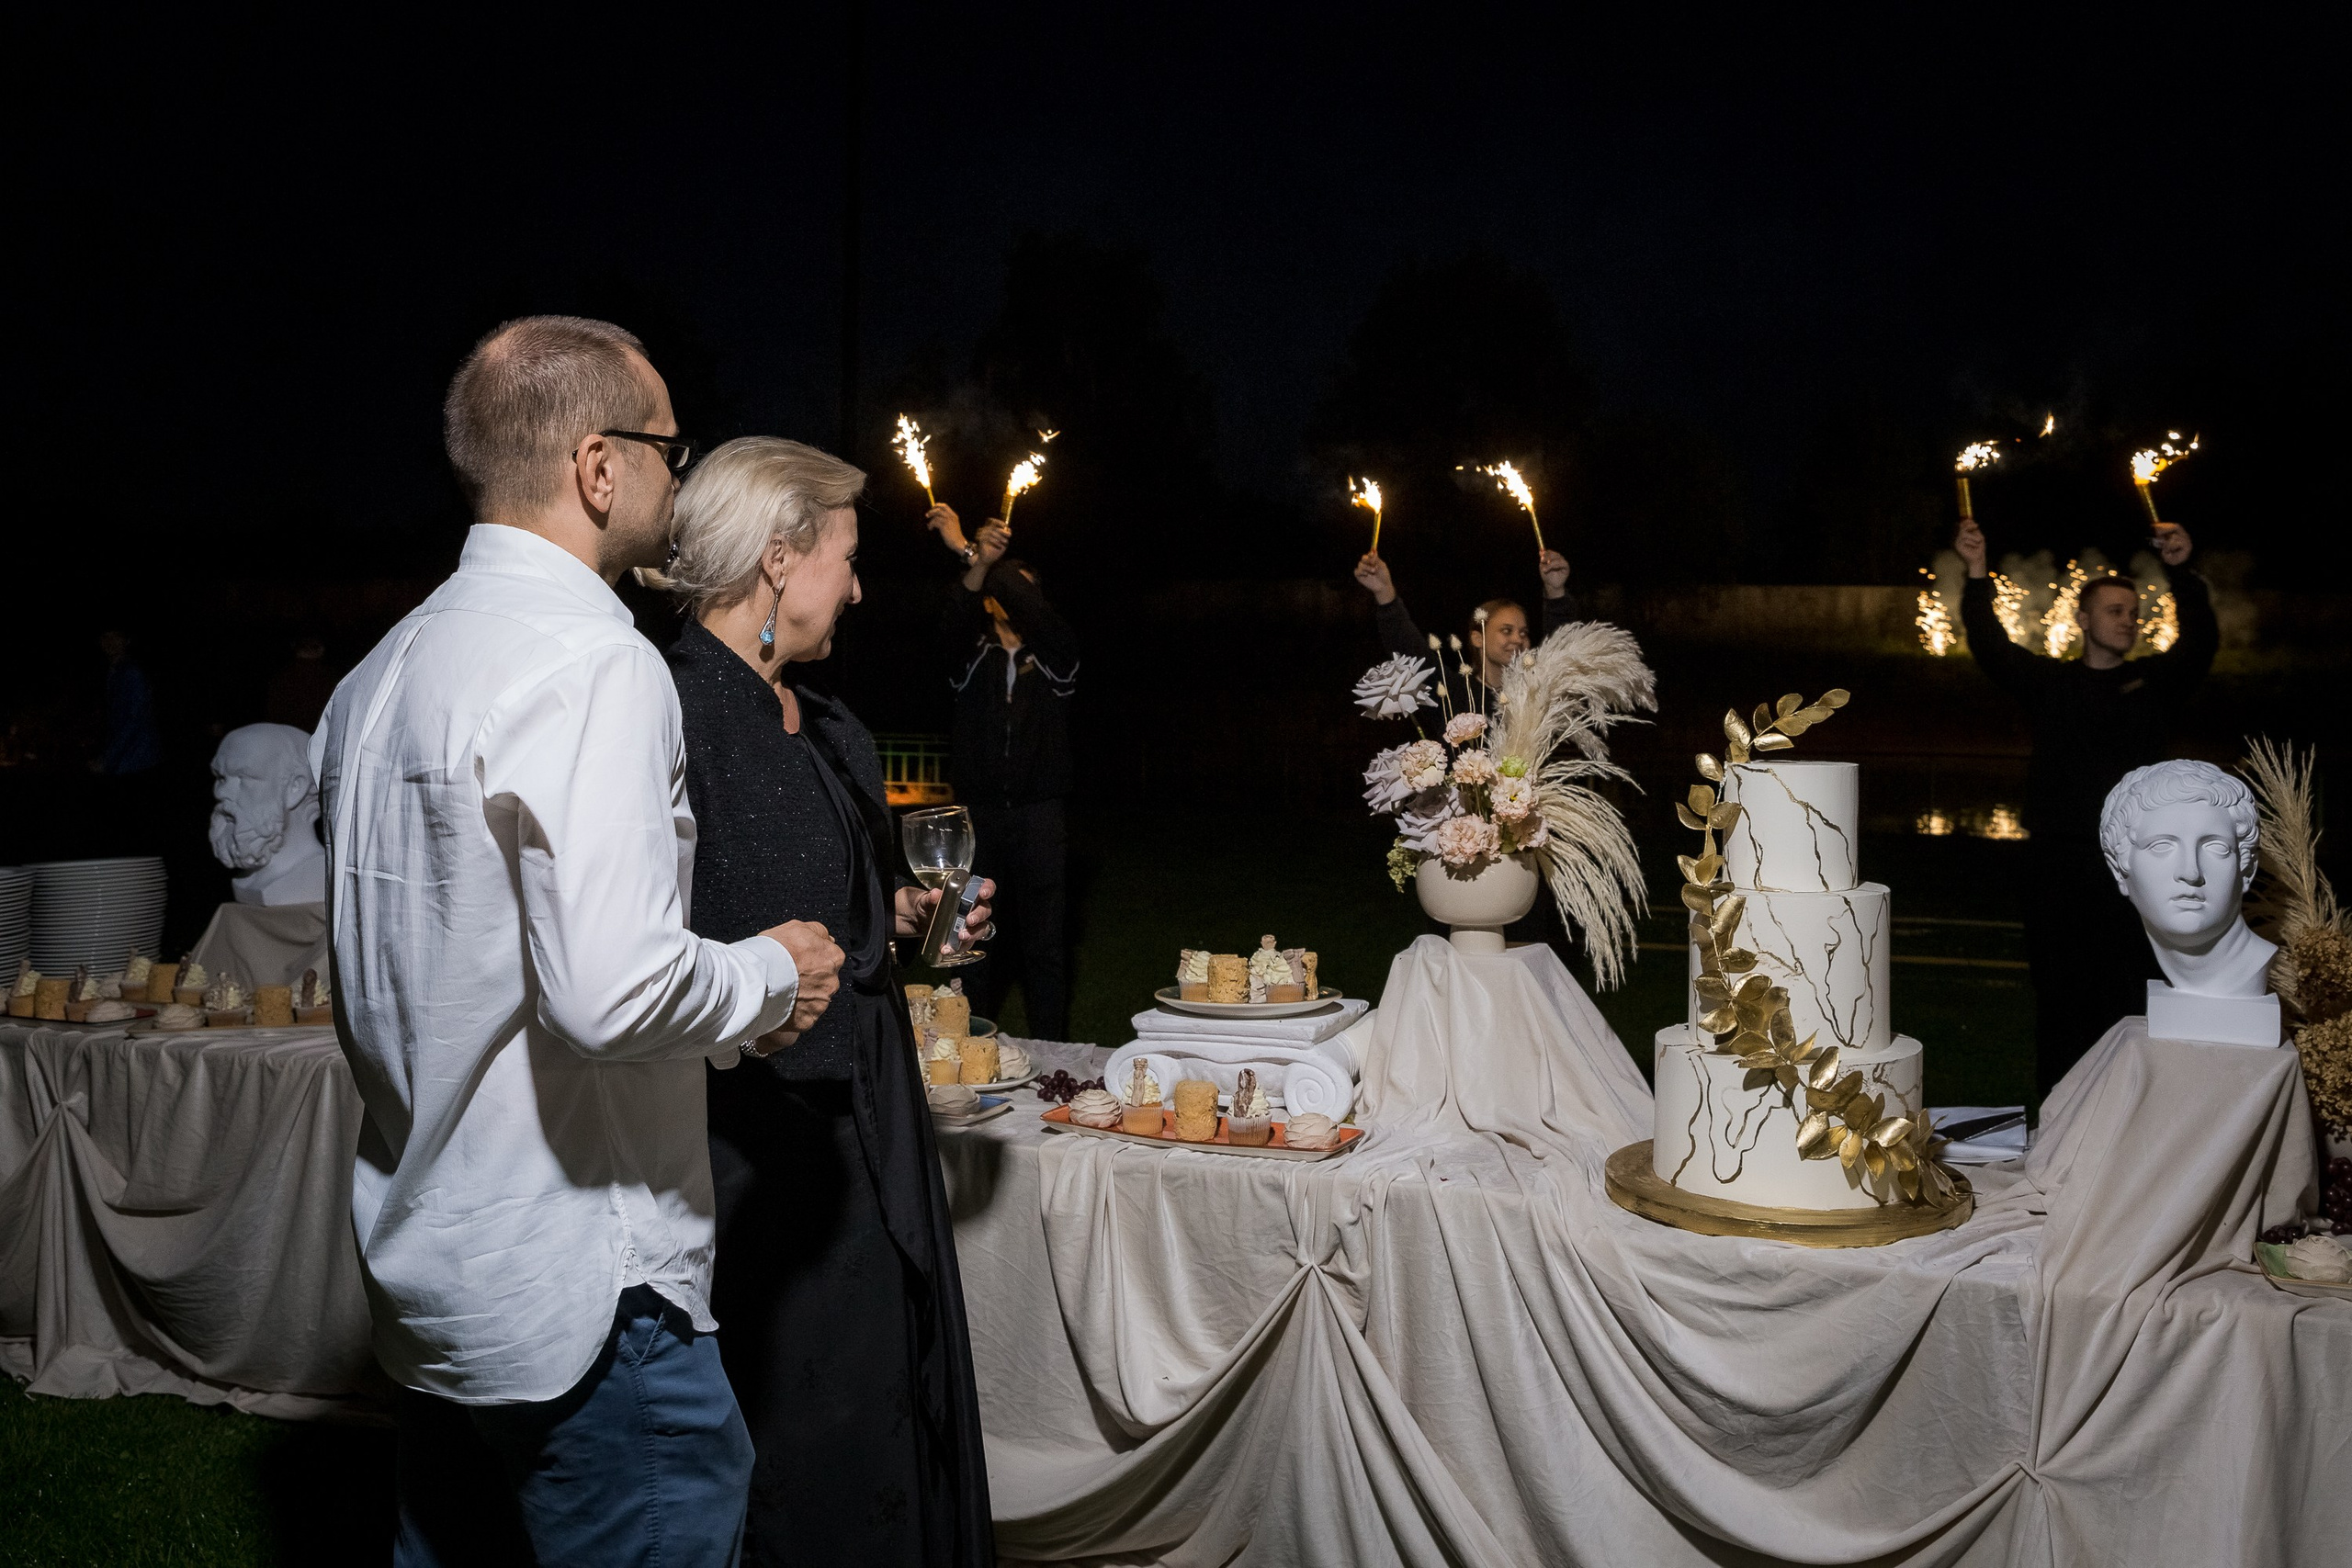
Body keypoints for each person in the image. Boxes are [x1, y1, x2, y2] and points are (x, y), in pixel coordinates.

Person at [312, 317, 844, 1568]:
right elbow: (610, 988)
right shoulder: (598, 661)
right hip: (581, 1292)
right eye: (670, 449)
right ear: (601, 468)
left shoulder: (381, 672)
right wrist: (773, 971)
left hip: (432, 1273)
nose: (680, 475)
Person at [658, 440, 996, 1566]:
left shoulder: (818, 717)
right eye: (844, 559)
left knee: (886, 1416)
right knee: (817, 1436)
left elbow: (818, 909)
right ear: (775, 557)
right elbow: (706, 951)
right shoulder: (685, 718)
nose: (856, 588)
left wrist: (893, 919)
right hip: (769, 1161)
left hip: (860, 1129)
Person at [1954, 513, 2218, 1095]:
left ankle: (2128, 1132)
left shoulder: (2153, 685)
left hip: (2137, 871)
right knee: (2061, 1002)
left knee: (2135, 1001)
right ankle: (2056, 1129)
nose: (2129, 621)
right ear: (2083, 620)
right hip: (2058, 868)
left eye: (2133, 612)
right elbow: (1992, 648)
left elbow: (2201, 643)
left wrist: (2183, 572)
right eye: (2115, 611)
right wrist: (1977, 572)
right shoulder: (2052, 685)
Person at [928, 503, 1079, 1041]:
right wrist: (975, 563)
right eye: (1006, 586)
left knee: (1044, 947)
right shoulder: (970, 659)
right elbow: (950, 622)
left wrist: (976, 551)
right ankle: (966, 1049)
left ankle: (1053, 1056)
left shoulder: (1059, 662)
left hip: (1041, 819)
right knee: (967, 939)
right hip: (978, 819)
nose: (1017, 597)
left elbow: (1032, 609)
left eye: (1025, 590)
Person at [1353, 547, 1578, 697]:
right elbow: (1410, 652)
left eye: (1523, 633)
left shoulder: (1536, 696)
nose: (1517, 640)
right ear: (1477, 637)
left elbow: (1560, 648)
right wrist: (1384, 592)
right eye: (1506, 630)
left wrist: (1556, 590)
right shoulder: (1454, 695)